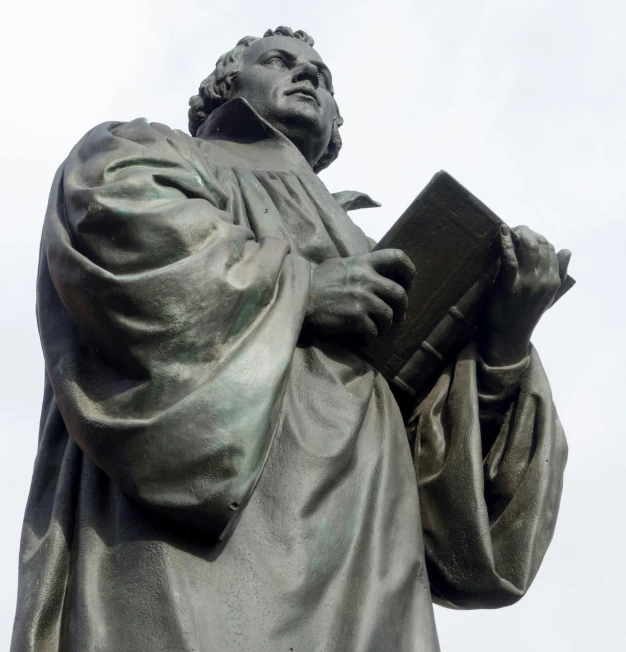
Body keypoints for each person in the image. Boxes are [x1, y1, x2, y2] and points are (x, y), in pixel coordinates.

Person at [11, 26, 568, 652]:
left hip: (363, 529)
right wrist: (300, 287)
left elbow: (456, 520)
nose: (309, 78)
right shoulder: (148, 151)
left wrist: (502, 346)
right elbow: (116, 227)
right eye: (281, 62)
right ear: (225, 85)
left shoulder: (371, 253)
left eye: (324, 79)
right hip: (204, 521)